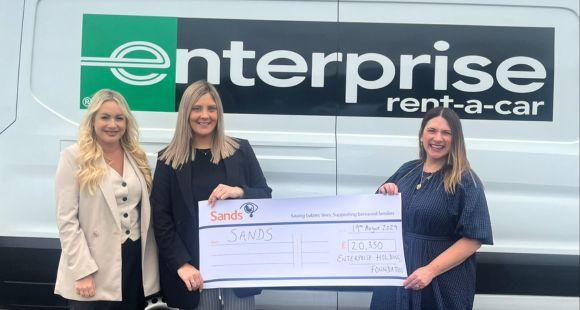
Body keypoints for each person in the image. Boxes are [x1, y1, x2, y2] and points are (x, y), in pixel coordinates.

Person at [151, 80, 272, 309]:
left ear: (219, 112)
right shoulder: (168, 160)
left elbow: (265, 197)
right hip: (193, 276)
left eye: (211, 108)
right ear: (186, 113)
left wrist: (240, 192)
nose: (204, 115)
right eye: (196, 108)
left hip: (237, 273)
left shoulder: (241, 150)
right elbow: (161, 219)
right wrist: (182, 264)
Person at [370, 107, 493, 310]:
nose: (438, 138)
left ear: (456, 140)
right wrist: (385, 192)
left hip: (441, 283)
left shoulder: (465, 180)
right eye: (432, 130)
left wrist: (429, 271)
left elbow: (474, 239)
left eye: (446, 133)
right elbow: (376, 215)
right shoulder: (407, 170)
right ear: (421, 135)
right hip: (397, 279)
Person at [54, 89, 160, 309]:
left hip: (134, 263)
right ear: (92, 120)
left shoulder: (136, 156)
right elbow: (67, 221)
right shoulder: (73, 157)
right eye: (105, 117)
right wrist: (83, 271)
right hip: (93, 264)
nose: (113, 124)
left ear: (126, 122)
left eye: (119, 118)